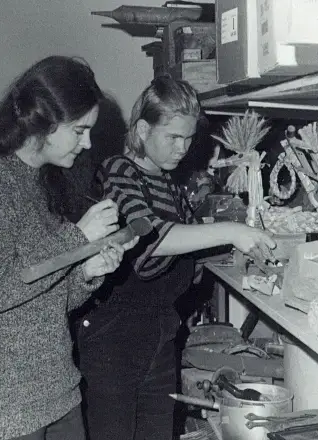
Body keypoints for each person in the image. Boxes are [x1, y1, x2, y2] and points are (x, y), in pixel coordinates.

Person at [0, 56, 138, 440]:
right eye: (79, 130)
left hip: (55, 393)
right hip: (2, 407)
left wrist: (86, 272)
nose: (88, 143)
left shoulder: (37, 182)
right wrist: (78, 237)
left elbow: (45, 298)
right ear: (44, 122)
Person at [77, 75, 277, 440]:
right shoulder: (119, 171)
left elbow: (190, 247)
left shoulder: (168, 181)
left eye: (188, 138)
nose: (182, 149)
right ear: (142, 130)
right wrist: (232, 232)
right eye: (173, 137)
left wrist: (238, 253)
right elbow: (152, 236)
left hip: (159, 335)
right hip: (114, 340)